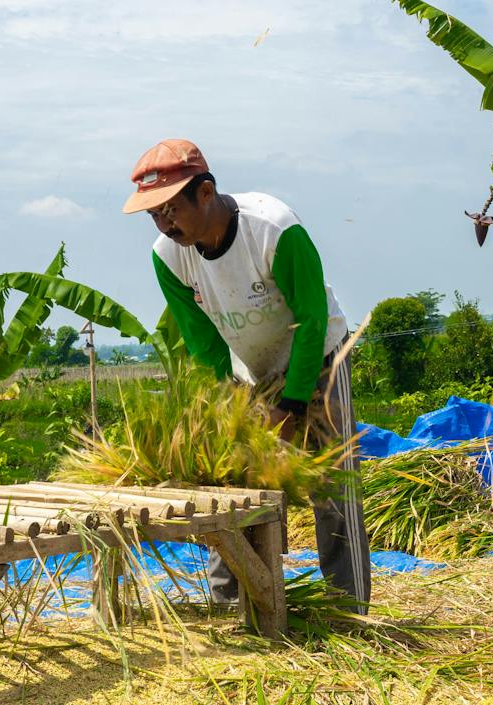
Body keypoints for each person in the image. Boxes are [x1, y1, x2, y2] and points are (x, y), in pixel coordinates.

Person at [123, 138, 370, 609]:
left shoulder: (273, 228)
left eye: (170, 209)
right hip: (248, 374)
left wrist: (293, 403)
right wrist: (235, 408)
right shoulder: (168, 257)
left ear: (205, 192)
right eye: (154, 215)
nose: (164, 224)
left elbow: (311, 316)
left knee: (333, 486)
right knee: (232, 487)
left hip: (319, 360)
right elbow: (205, 344)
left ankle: (347, 610)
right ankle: (233, 606)